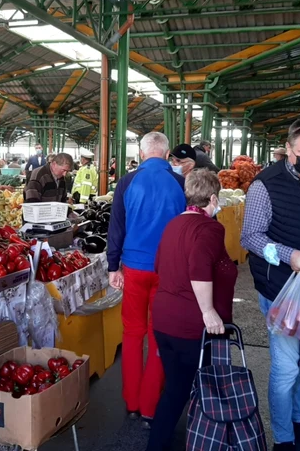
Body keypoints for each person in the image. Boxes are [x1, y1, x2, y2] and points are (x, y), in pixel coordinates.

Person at [241, 118, 300, 451]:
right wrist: (287, 254)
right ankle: (283, 436)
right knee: (285, 369)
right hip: (284, 291)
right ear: (288, 149)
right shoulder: (264, 184)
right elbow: (250, 237)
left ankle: (298, 418)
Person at [147, 169, 237, 451]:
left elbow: (159, 265)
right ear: (212, 198)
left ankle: (160, 442)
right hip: (192, 326)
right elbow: (199, 268)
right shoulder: (210, 228)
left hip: (164, 321)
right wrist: (208, 311)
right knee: (197, 389)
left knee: (176, 387)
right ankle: (204, 441)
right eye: (217, 200)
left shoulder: (173, 224)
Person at [108, 132, 186, 428]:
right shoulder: (180, 183)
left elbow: (116, 227)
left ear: (141, 154)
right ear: (167, 155)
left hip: (134, 268)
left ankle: (131, 402)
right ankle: (151, 406)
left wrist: (113, 266)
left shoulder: (127, 182)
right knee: (158, 333)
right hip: (168, 270)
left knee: (131, 333)